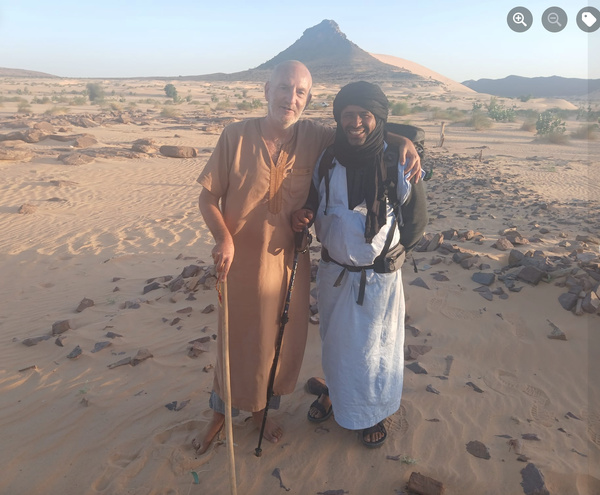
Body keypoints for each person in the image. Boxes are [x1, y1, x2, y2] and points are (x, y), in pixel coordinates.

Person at [194, 61, 421, 455]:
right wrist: (223, 239)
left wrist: (407, 141)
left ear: (309, 99)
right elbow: (207, 196)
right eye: (284, 88)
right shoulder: (235, 135)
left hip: (288, 263)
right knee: (235, 339)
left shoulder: (315, 137)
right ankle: (220, 413)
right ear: (267, 90)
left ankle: (262, 412)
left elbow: (362, 129)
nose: (290, 98)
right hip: (241, 262)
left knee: (278, 341)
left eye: (300, 93)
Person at [291, 81, 428, 448]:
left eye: (364, 115)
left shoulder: (397, 159)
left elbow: (416, 217)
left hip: (378, 278)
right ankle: (334, 395)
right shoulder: (328, 157)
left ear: (378, 118)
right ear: (338, 117)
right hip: (334, 272)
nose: (355, 123)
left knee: (376, 348)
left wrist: (399, 252)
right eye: (347, 115)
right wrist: (304, 218)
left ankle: (373, 411)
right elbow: (312, 201)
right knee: (336, 344)